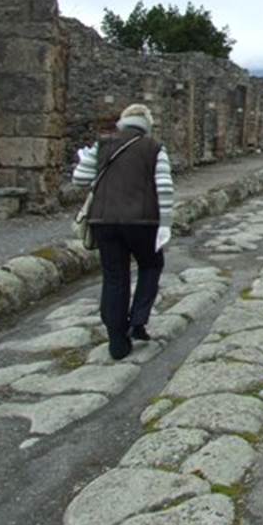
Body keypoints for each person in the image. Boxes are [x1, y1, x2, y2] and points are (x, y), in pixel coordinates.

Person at [72, 103, 174, 360]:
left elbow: (79, 180)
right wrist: (166, 224)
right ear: (147, 125)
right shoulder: (154, 148)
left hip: (104, 221)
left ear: (122, 122)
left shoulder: (102, 145)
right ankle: (137, 321)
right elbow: (164, 187)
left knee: (114, 277)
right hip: (143, 223)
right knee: (151, 266)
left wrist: (85, 162)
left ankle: (117, 340)